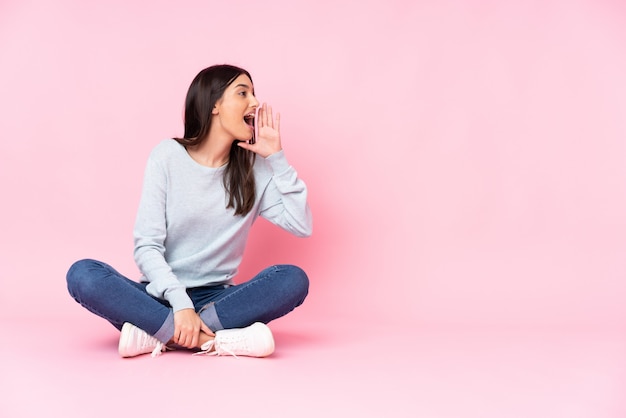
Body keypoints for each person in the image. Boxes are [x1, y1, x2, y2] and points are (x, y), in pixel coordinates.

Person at [66, 64, 312, 358]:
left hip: (218, 300)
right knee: (83, 275)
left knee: (292, 279)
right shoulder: (167, 156)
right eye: (243, 93)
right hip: (160, 294)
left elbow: (302, 225)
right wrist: (180, 304)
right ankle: (211, 340)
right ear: (214, 105)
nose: (255, 103)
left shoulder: (254, 169)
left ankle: (159, 334)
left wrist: (277, 159)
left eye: (254, 94)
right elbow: (147, 246)